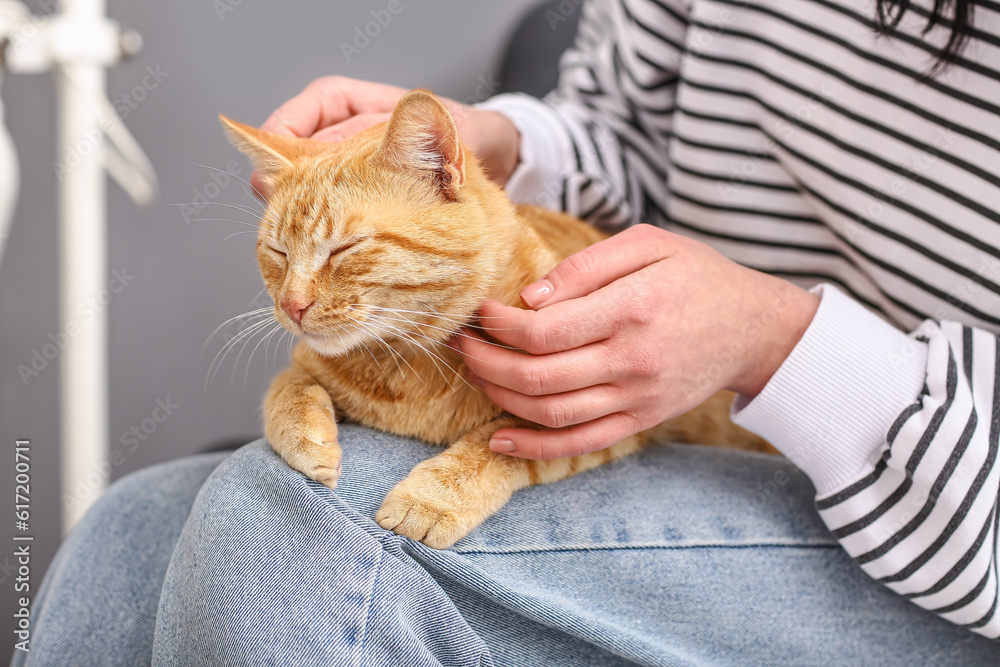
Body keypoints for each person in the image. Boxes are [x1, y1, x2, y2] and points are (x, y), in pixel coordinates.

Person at [14, 0, 1000, 665]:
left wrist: (777, 340)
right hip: (673, 407)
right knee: (126, 530)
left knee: (291, 534)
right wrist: (487, 149)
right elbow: (623, 122)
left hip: (946, 527)